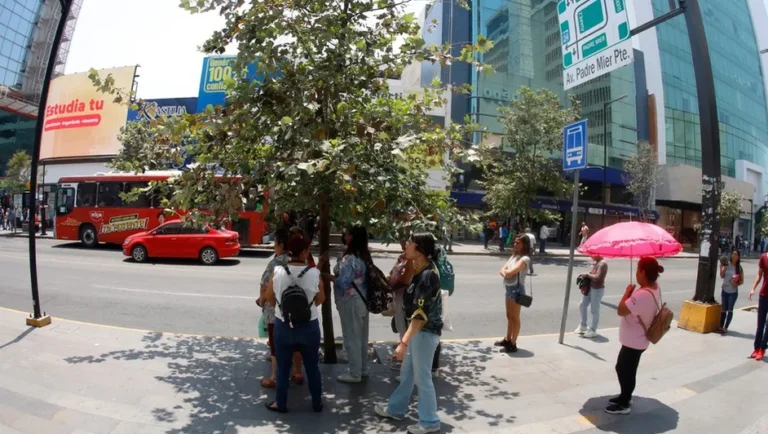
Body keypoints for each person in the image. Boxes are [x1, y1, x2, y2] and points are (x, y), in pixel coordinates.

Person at [375, 233, 443, 434]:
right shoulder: (419, 269)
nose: (407, 245)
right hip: (418, 333)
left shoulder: (428, 275)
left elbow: (420, 317)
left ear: (420, 249)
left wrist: (403, 342)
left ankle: (430, 421)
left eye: (411, 243)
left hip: (424, 332)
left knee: (422, 378)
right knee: (407, 373)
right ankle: (396, 409)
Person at [263, 228, 325, 413]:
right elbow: (321, 299)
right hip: (309, 326)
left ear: (289, 249)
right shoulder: (314, 273)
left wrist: (283, 308)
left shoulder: (278, 271)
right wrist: (307, 307)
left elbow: (269, 297)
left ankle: (281, 403)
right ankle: (316, 403)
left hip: (284, 325)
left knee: (282, 367)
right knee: (312, 366)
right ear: (305, 251)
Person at [606, 256, 664, 415]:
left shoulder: (642, 295)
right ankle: (625, 396)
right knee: (627, 369)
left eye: (638, 269)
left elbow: (621, 310)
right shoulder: (655, 286)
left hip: (635, 341)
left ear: (643, 272)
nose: (637, 273)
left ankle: (624, 402)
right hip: (638, 339)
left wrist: (627, 293)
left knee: (624, 370)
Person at [320, 226, 371, 383]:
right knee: (361, 337)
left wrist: (325, 276)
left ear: (352, 238)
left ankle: (354, 373)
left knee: (351, 338)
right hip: (362, 300)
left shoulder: (350, 259)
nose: (345, 235)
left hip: (350, 302)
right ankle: (362, 369)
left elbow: (343, 282)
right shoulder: (363, 255)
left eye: (348, 234)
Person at [257, 227, 304, 389]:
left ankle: (275, 377)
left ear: (282, 244)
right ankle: (297, 373)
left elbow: (264, 286)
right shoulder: (298, 260)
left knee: (275, 343)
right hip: (297, 309)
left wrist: (262, 300)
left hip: (276, 311)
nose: (273, 246)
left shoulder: (276, 262)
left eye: (275, 243)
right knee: (296, 342)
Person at [495, 235, 532, 353]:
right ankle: (507, 339)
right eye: (515, 242)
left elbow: (509, 273)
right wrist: (506, 272)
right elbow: (502, 270)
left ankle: (513, 343)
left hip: (517, 290)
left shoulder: (525, 259)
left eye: (518, 243)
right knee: (509, 316)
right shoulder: (514, 256)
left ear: (524, 245)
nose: (515, 245)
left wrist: (506, 272)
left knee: (515, 318)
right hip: (509, 288)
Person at [575, 255, 608, 338]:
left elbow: (597, 277)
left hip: (597, 289)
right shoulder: (597, 262)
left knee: (594, 310)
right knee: (582, 305)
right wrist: (587, 274)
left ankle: (593, 330)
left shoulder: (602, 264)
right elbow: (593, 274)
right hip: (590, 288)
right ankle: (583, 325)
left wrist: (587, 275)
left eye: (592, 255)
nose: (591, 257)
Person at [717, 249, 743, 335]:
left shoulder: (739, 268)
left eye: (736, 254)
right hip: (724, 291)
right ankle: (721, 326)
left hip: (733, 292)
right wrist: (721, 268)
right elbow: (722, 276)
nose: (734, 256)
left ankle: (725, 327)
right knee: (723, 310)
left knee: (730, 310)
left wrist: (735, 283)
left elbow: (741, 281)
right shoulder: (727, 265)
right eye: (733, 254)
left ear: (738, 257)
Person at [749, 250, 768, 360]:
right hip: (764, 295)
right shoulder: (764, 257)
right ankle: (756, 348)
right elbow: (759, 274)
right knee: (760, 325)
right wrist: (753, 289)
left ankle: (762, 348)